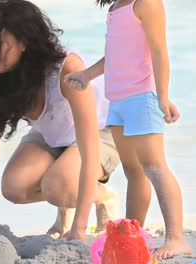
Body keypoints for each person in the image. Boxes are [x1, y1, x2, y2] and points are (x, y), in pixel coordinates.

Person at [0, 0, 120, 242]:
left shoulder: (66, 69)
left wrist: (79, 227)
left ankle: (103, 197)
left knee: (58, 187)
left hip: (103, 127)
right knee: (14, 187)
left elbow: (89, 147)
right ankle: (67, 193)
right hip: (53, 132)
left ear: (24, 41)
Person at [65, 0, 192, 259]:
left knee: (154, 167)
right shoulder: (115, 8)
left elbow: (159, 51)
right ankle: (134, 233)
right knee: (133, 171)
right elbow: (116, 54)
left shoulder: (146, 3)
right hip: (118, 101)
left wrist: (163, 97)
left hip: (141, 98)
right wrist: (87, 75)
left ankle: (177, 238)